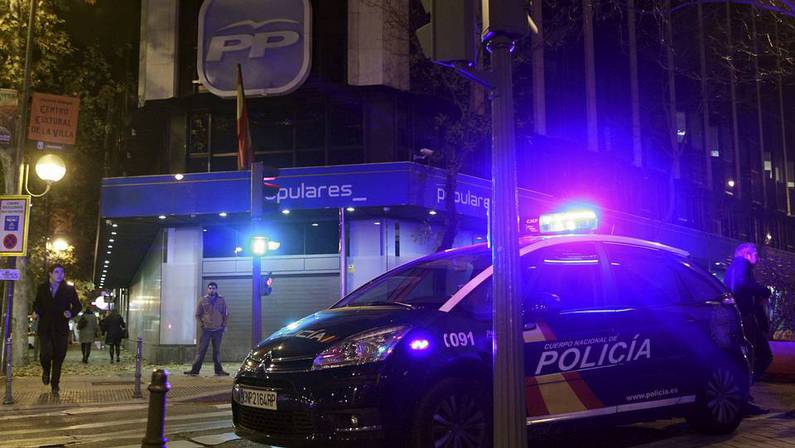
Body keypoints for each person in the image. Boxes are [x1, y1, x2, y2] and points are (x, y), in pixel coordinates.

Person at [723, 242, 772, 415]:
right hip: (744, 319)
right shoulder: (741, 265)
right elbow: (743, 285)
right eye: (755, 254)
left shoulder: (734, 269)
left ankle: (741, 393)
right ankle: (741, 395)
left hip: (741, 318)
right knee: (761, 357)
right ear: (746, 254)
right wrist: (764, 291)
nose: (757, 257)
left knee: (750, 358)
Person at [32, 263, 81, 395]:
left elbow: (77, 306)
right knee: (45, 354)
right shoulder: (42, 288)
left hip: (61, 327)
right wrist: (36, 312)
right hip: (46, 327)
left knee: (59, 357)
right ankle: (46, 371)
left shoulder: (69, 289)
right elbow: (37, 304)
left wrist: (70, 313)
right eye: (57, 272)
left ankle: (55, 385)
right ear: (50, 274)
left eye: (62, 272)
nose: (60, 275)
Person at [185, 282, 229, 376]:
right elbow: (197, 315)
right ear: (207, 289)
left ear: (216, 289)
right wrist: (202, 325)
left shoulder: (221, 300)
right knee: (201, 350)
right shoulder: (203, 300)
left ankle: (219, 371)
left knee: (216, 351)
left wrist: (223, 326)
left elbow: (225, 314)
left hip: (218, 330)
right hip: (206, 330)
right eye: (210, 288)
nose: (211, 290)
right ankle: (195, 370)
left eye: (213, 288)